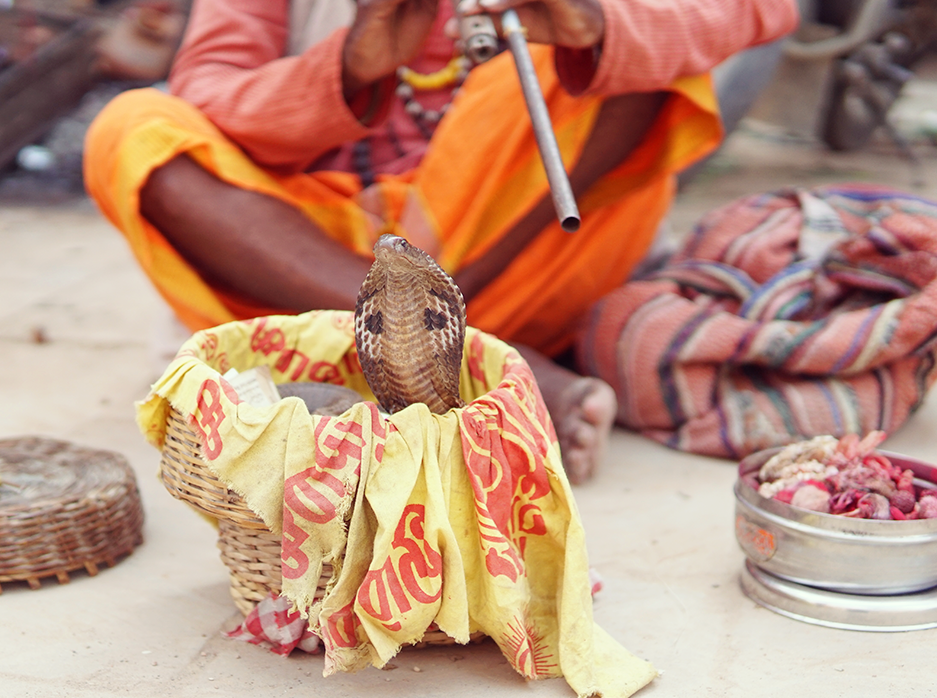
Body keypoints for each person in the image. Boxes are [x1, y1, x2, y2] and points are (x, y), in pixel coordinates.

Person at [84, 0, 799, 482]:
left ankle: (434, 351)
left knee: (642, 61)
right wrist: (348, 67)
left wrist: (596, 24)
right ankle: (467, 362)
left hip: (507, 260)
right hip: (312, 258)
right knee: (133, 129)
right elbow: (203, 95)